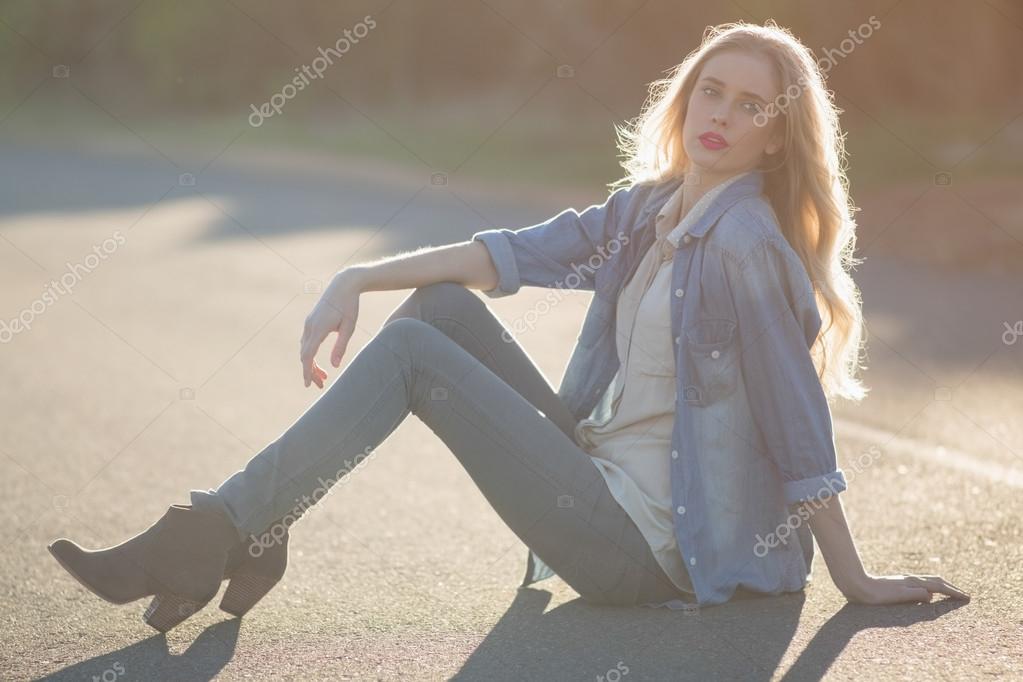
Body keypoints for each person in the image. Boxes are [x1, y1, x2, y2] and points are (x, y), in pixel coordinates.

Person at [47, 20, 968, 634]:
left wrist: (853, 583)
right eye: (710, 92)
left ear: (776, 138)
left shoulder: (744, 246)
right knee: (438, 309)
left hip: (645, 547)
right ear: (685, 100)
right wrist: (356, 274)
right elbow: (503, 256)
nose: (720, 116)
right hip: (599, 472)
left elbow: (795, 424)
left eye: (749, 106)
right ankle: (253, 525)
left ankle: (218, 529)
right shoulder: (649, 211)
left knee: (411, 353)